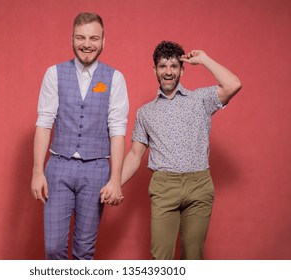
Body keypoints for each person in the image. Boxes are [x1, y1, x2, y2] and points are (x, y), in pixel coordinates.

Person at [121, 41, 242, 260]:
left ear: (182, 70)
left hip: (199, 185)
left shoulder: (200, 100)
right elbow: (134, 154)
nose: (168, 72)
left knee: (193, 257)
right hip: (164, 186)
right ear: (155, 70)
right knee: (161, 258)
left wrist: (204, 59)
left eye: (174, 66)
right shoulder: (145, 112)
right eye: (162, 66)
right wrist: (114, 183)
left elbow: (233, 84)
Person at [31, 12, 129, 260]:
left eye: (94, 38)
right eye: (81, 37)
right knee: (53, 248)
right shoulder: (54, 73)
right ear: (72, 39)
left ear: (103, 41)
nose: (87, 44)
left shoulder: (115, 78)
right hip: (59, 167)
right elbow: (44, 122)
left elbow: (117, 130)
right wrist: (37, 171)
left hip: (96, 170)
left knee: (84, 250)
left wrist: (115, 179)